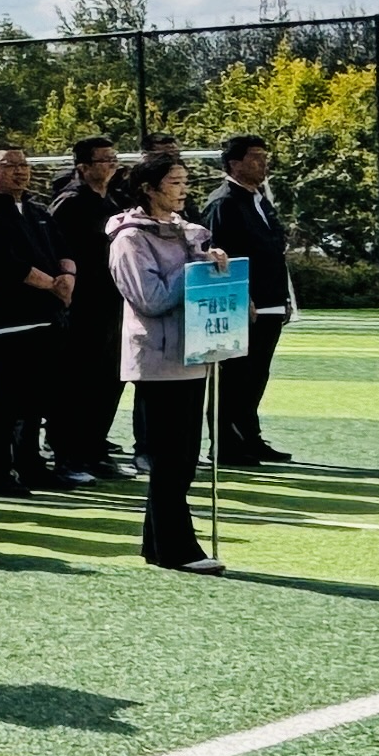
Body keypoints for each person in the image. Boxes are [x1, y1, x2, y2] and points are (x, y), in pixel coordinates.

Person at [109, 148, 228, 574]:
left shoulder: (185, 231)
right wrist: (195, 271)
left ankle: (157, 543)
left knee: (183, 456)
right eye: (174, 182)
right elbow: (151, 298)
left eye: (184, 182)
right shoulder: (129, 239)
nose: (183, 190)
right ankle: (179, 548)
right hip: (157, 359)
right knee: (170, 460)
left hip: (193, 353)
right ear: (149, 188)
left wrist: (216, 267)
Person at [0, 147, 71, 498]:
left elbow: (62, 250)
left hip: (46, 318)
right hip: (8, 322)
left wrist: (68, 277)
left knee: (35, 400)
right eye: (10, 165)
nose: (20, 171)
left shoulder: (37, 210)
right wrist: (53, 284)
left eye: (23, 165)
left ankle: (30, 465)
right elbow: (1, 264)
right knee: (5, 401)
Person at [204, 136, 296, 466]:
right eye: (255, 157)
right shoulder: (223, 203)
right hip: (244, 305)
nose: (263, 163)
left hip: (270, 302)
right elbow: (217, 255)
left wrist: (284, 297)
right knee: (233, 376)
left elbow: (273, 252)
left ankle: (250, 437)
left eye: (264, 156)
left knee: (256, 374)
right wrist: (241, 297)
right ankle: (225, 444)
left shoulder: (260, 199)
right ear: (234, 164)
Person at [48, 137, 129, 484]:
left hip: (114, 304)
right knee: (76, 383)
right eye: (103, 160)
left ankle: (95, 450)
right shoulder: (69, 203)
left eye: (113, 158)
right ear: (83, 167)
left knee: (110, 380)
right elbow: (55, 250)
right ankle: (68, 455)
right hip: (82, 307)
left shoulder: (116, 201)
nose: (111, 165)